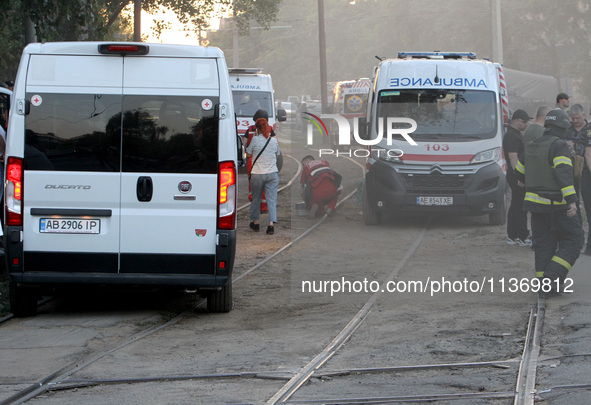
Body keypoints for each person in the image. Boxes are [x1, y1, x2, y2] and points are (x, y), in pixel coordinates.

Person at [515, 108, 583, 296]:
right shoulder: (560, 146)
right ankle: (550, 280)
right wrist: (572, 201)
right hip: (559, 206)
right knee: (574, 241)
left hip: (536, 207)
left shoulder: (532, 145)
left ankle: (544, 288)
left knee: (544, 245)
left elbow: (518, 175)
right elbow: (563, 175)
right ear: (563, 127)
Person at [243, 109, 283, 214]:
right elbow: (276, 145)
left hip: (252, 161)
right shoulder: (270, 129)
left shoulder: (250, 129)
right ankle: (264, 207)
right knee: (266, 184)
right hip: (267, 161)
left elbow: (244, 145)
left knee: (253, 184)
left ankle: (255, 203)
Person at [246, 117, 280, 235]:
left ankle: (256, 223)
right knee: (271, 199)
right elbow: (277, 155)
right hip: (272, 174)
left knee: (256, 198)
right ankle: (271, 225)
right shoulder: (274, 141)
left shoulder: (255, 140)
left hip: (257, 174)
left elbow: (248, 153)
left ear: (257, 128)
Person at [503, 109, 532, 246]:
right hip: (516, 177)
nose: (527, 124)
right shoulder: (512, 136)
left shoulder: (517, 134)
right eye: (524, 122)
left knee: (516, 204)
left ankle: (513, 235)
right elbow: (513, 157)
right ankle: (521, 235)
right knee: (520, 206)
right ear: (516, 120)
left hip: (516, 176)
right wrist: (519, 178)